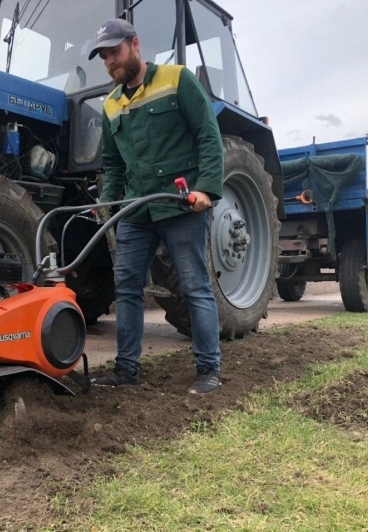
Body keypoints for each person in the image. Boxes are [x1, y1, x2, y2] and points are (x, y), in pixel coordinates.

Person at [89, 18, 224, 394]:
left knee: (195, 285)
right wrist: (106, 204)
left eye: (113, 52)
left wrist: (207, 190)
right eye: (103, 57)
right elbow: (114, 166)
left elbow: (208, 136)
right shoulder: (111, 105)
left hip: (180, 205)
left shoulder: (177, 79)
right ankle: (127, 369)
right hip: (136, 209)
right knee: (127, 288)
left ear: (135, 44)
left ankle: (208, 369)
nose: (109, 62)